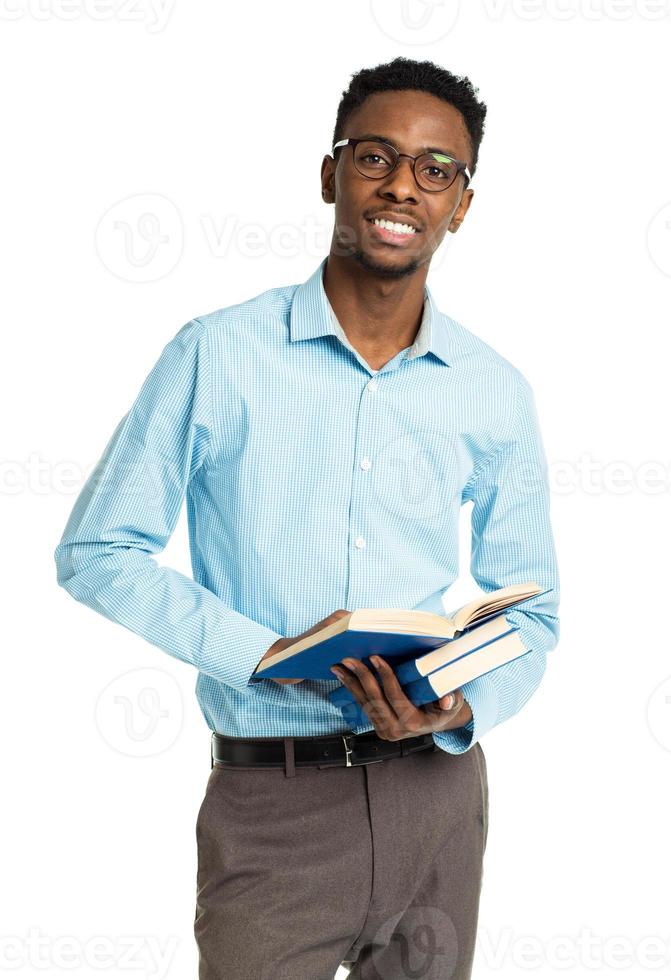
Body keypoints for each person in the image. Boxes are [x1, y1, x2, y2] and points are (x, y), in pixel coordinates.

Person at [54, 56, 560, 980]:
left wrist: (457, 706)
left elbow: (534, 611)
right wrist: (269, 655)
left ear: (461, 202)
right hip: (273, 801)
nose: (402, 184)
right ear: (331, 174)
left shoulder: (494, 391)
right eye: (375, 157)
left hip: (437, 801)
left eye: (434, 168)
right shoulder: (219, 354)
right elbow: (97, 551)